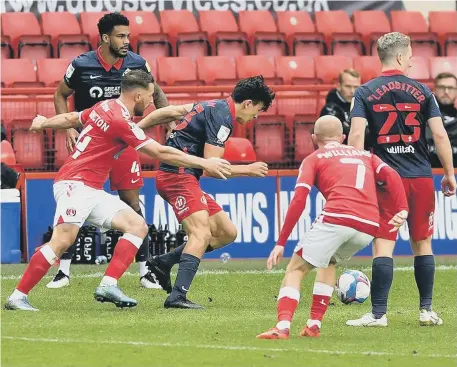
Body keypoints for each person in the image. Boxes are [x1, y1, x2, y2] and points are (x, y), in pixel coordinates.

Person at [4, 70, 231, 312]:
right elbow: (160, 152)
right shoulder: (120, 120)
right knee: (62, 240)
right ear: (137, 95)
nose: (152, 101)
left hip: (89, 188)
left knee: (137, 225)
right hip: (76, 183)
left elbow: (72, 118)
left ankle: (108, 284)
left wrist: (44, 123)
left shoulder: (106, 106)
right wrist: (205, 163)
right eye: (150, 96)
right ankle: (17, 296)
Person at [256, 115, 408, 339]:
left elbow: (299, 199)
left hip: (338, 217)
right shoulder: (367, 155)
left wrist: (280, 243)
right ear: (343, 137)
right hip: (368, 225)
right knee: (328, 262)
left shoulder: (314, 158)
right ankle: (314, 325)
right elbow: (392, 175)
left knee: (296, 269)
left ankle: (282, 326)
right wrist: (402, 209)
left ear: (313, 138)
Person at [49, 12, 169, 289]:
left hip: (123, 144)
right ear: (105, 37)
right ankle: (63, 271)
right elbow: (60, 95)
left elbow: (156, 92)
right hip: (91, 146)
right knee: (73, 207)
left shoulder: (137, 63)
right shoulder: (81, 65)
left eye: (128, 35)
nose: (127, 41)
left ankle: (144, 272)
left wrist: (170, 121)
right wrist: (67, 128)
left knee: (132, 205)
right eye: (121, 36)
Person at [347, 32, 456, 327]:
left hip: (386, 178)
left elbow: (356, 136)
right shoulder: (423, 92)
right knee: (423, 244)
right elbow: (440, 134)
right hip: (420, 177)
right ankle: (426, 310)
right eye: (409, 55)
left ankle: (379, 314)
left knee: (383, 244)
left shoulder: (365, 92)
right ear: (399, 56)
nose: (411, 61)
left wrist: (355, 177)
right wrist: (448, 173)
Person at [137, 75, 275, 309]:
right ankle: (177, 297)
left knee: (227, 232)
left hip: (185, 176)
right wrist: (247, 169)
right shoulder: (223, 118)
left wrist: (136, 128)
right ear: (248, 103)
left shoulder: (212, 105)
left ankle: (163, 262)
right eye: (258, 111)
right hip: (176, 176)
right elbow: (212, 167)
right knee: (201, 234)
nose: (255, 117)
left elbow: (171, 111)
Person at [320, 69, 373, 149]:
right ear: (339, 86)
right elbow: (337, 136)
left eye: (356, 87)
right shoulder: (329, 109)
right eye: (348, 86)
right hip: (337, 153)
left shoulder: (364, 104)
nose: (352, 91)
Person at [426, 72, 457, 167]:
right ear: (434, 90)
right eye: (442, 87)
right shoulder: (422, 117)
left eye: (451, 88)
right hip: (429, 172)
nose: (446, 91)